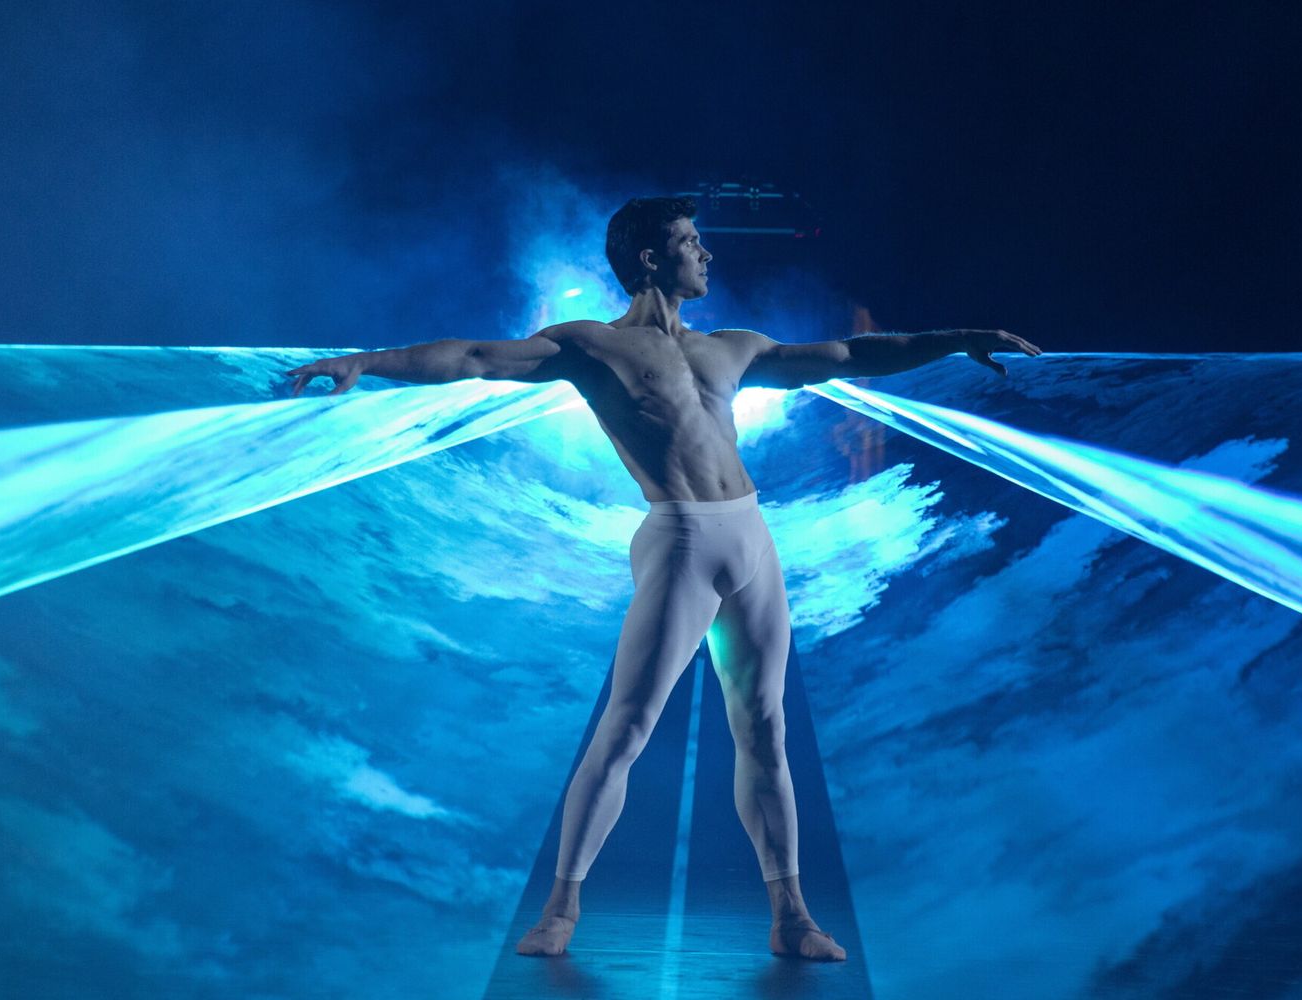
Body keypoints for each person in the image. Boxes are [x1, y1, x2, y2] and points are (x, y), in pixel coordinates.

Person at [285, 196, 1041, 962]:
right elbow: (473, 357)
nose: (706, 255)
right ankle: (560, 909)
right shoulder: (592, 346)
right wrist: (365, 362)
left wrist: (957, 340)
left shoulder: (732, 347)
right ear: (650, 259)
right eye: (689, 242)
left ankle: (792, 917)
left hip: (749, 536)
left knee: (766, 730)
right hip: (679, 536)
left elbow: (849, 357)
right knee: (627, 728)